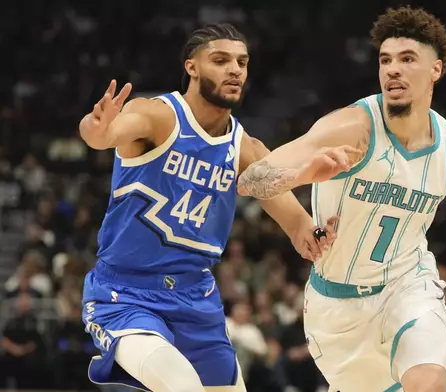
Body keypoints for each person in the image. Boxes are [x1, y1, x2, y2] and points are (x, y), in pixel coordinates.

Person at [237, 6, 446, 392]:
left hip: (409, 286)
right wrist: (306, 173)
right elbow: (251, 181)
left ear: (436, 70)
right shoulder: (350, 127)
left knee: (428, 382)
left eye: (408, 59)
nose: (393, 69)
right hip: (336, 308)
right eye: (386, 60)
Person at [78, 23, 343, 392]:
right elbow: (105, 134)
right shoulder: (158, 116)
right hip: (127, 294)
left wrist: (317, 234)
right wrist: (96, 127)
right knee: (181, 385)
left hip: (196, 300)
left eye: (242, 62)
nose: (235, 70)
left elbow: (298, 224)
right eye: (220, 60)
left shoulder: (245, 148)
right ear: (192, 67)